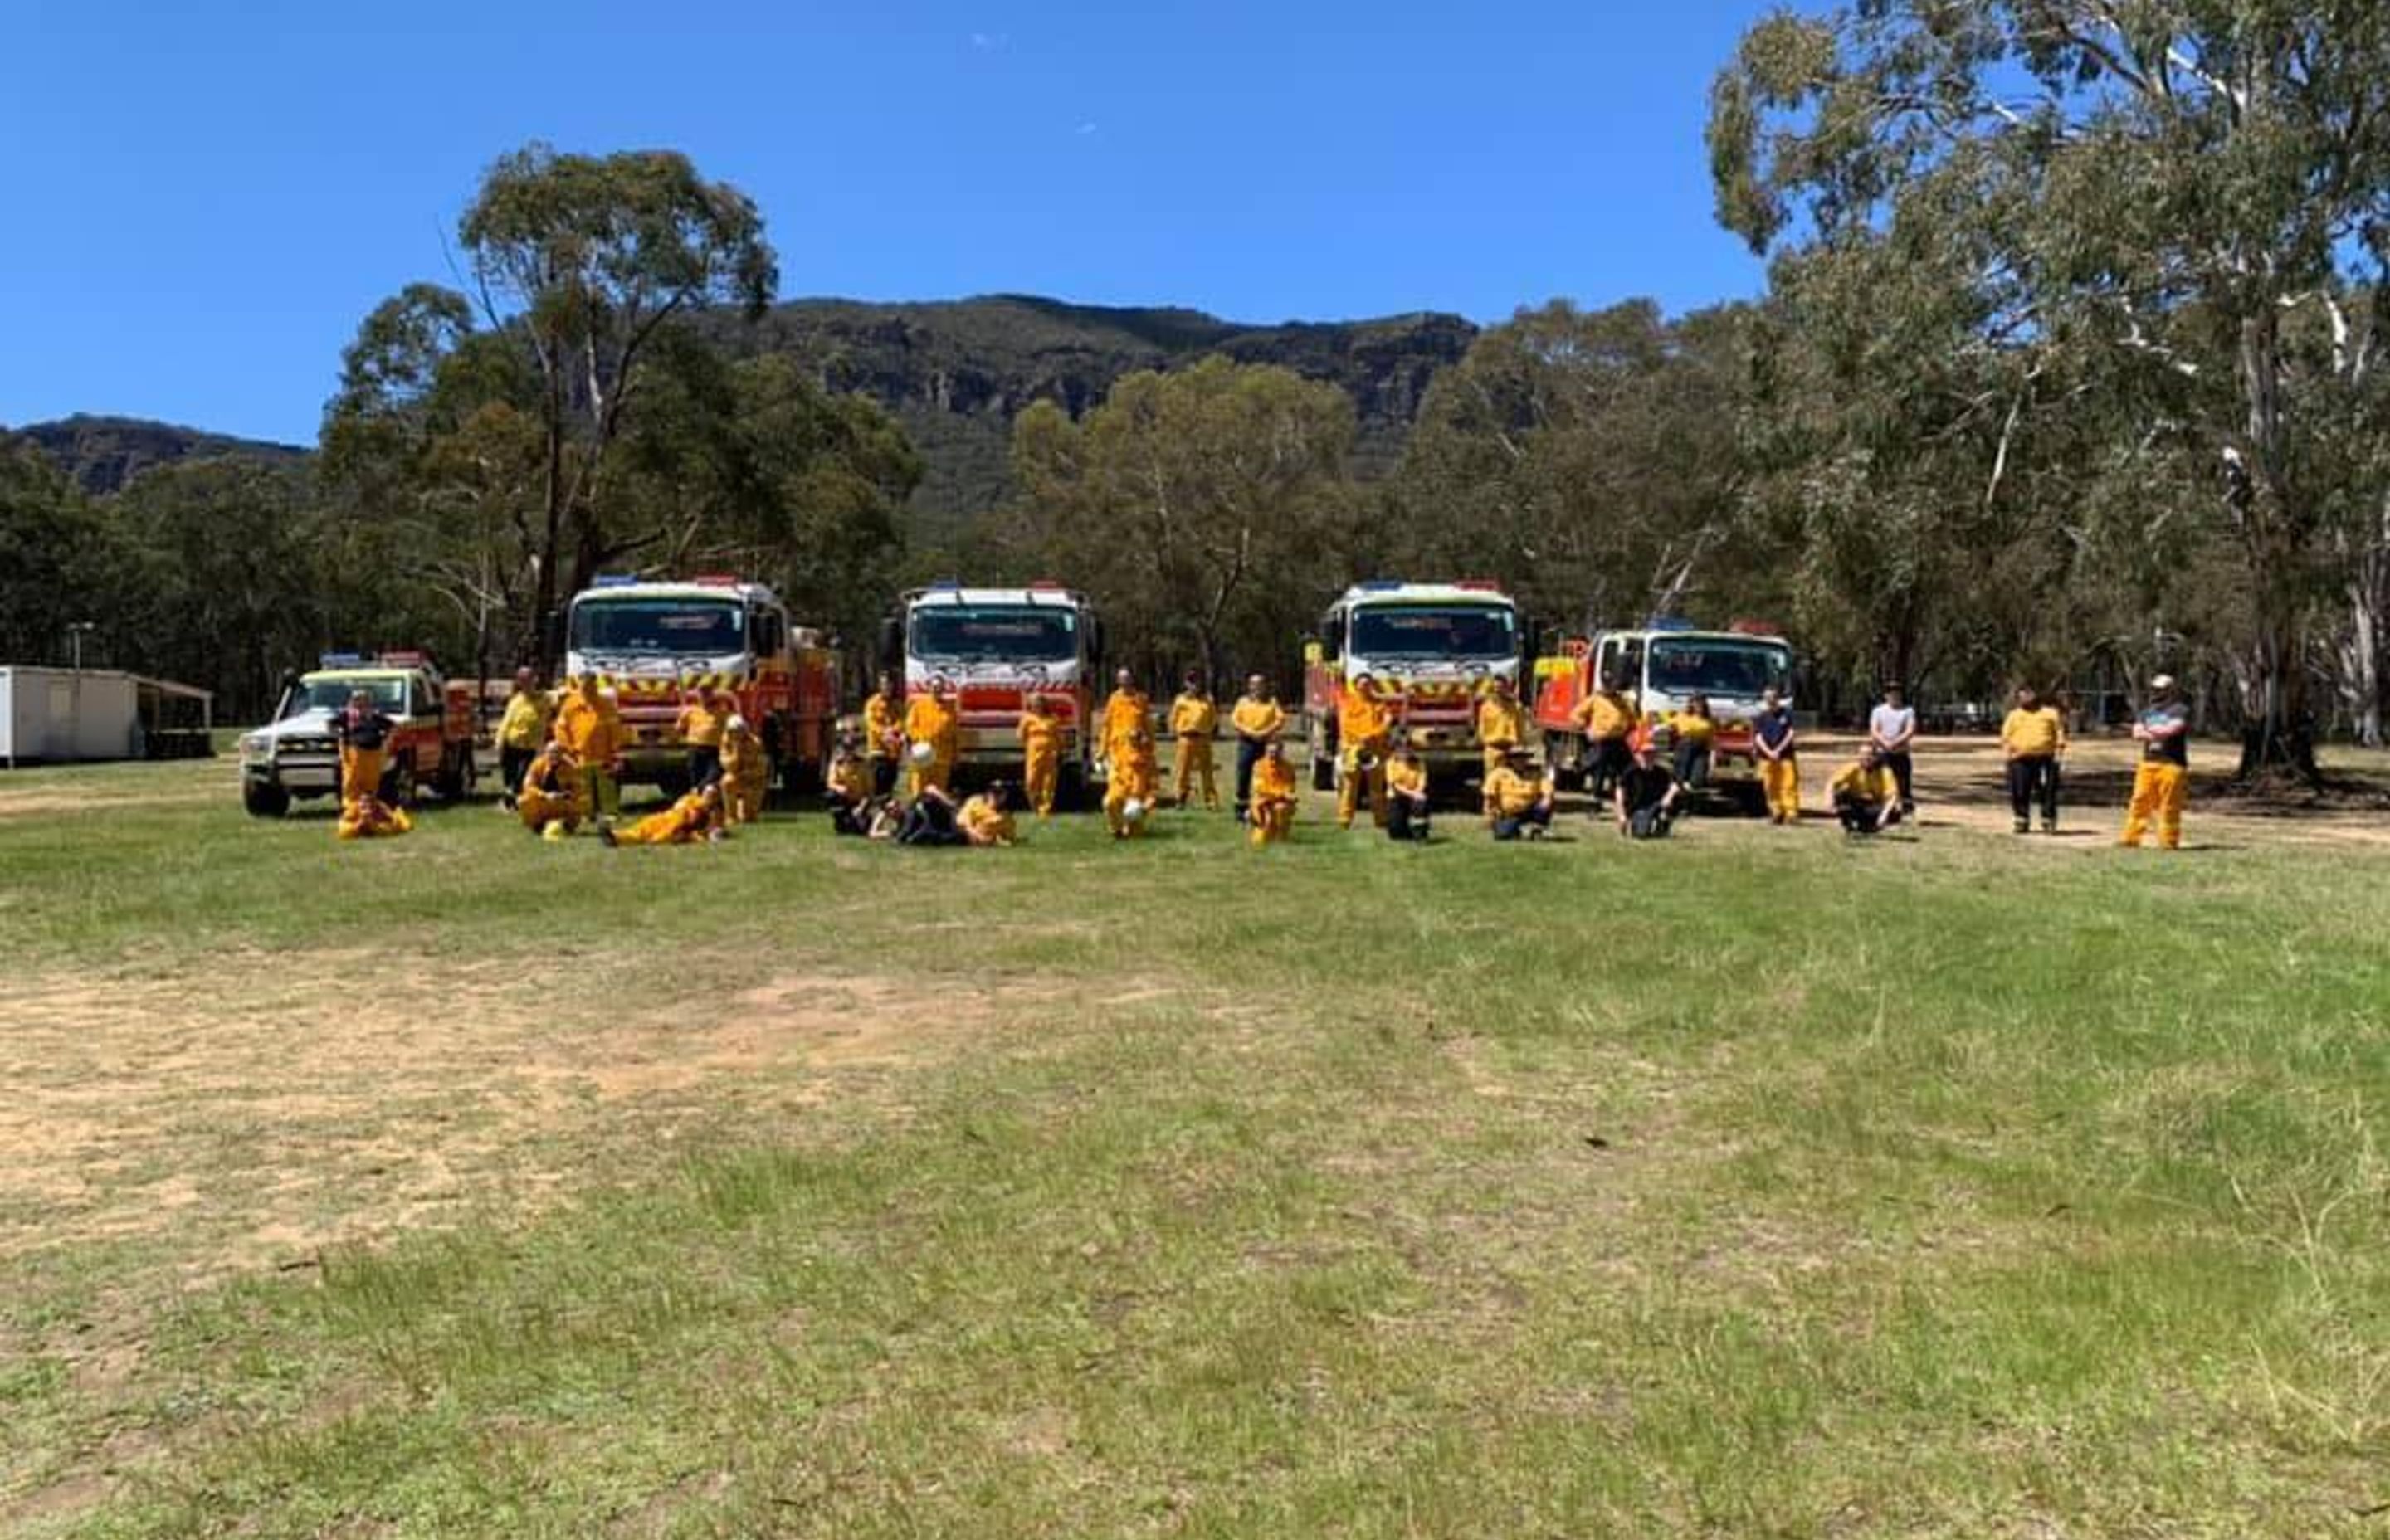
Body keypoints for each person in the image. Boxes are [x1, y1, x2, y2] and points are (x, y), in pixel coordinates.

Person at [2119, 673, 2190, 850]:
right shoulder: (2146, 711)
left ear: (2171, 691)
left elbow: (2172, 730)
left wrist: (2149, 730)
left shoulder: (2179, 709)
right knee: (2139, 800)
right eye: (2155, 689)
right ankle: (2131, 838)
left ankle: (2168, 841)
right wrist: (2156, 730)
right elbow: (2136, 733)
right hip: (2148, 762)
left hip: (2172, 764)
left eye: (2161, 689)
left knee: (2169, 804)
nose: (2156, 692)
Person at [552, 671, 621, 825]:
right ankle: (585, 814)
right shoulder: (571, 704)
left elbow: (615, 728)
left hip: (604, 754)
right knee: (583, 787)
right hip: (580, 754)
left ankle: (610, 813)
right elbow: (561, 728)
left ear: (595, 684)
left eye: (590, 685)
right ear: (580, 684)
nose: (587, 689)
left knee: (607, 786)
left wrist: (615, 751)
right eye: (584, 685)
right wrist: (567, 748)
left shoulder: (605, 704)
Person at [2000, 684, 2068, 834]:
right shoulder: (2014, 715)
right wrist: (2008, 756)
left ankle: (2048, 821)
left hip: (2046, 760)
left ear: (2035, 694)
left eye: (2028, 693)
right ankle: (2021, 820)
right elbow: (2005, 737)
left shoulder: (2050, 713)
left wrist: (2059, 753)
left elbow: (2060, 733)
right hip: (2020, 760)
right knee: (2019, 791)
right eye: (2021, 695)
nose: (2025, 697)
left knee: (2048, 791)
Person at [1336, 672, 1396, 829]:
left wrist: (1372, 735)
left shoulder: (1380, 704)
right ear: (1356, 686)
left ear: (1372, 686)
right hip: (1354, 749)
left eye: (1368, 684)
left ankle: (1381, 820)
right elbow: (1345, 725)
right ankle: (1345, 820)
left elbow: (1387, 723)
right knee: (1350, 787)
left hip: (1376, 749)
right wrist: (1361, 737)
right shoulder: (1348, 703)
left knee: (1376, 789)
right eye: (1362, 685)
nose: (1365, 687)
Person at [1572, 670, 1637, 802]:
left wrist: (1630, 728)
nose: (1612, 687)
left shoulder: (1622, 701)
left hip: (1619, 740)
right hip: (1602, 740)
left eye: (1613, 684)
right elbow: (1575, 714)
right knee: (1600, 770)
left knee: (1630, 767)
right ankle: (1595, 800)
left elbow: (1631, 719)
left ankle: (1625, 795)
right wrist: (1587, 728)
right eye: (1609, 684)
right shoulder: (1596, 699)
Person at [1230, 674, 1285, 823]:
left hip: (1266, 744)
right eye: (1254, 684)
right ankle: (1241, 811)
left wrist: (1265, 732)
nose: (1257, 687)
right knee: (1244, 775)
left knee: (1266, 775)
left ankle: (1266, 809)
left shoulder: (1272, 702)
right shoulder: (1242, 701)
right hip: (1247, 742)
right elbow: (1235, 720)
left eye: (1260, 684)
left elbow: (1280, 719)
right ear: (1249, 686)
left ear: (1265, 686)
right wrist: (1250, 732)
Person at [330, 688, 398, 809]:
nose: (360, 702)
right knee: (351, 786)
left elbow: (392, 726)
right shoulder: (346, 715)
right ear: (351, 701)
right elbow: (330, 724)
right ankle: (351, 812)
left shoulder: (374, 715)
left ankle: (370, 814)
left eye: (364, 699)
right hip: (354, 757)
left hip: (373, 756)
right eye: (356, 699)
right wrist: (340, 736)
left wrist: (387, 741)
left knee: (371, 787)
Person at [495, 667, 552, 809]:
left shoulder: (545, 698)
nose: (526, 683)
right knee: (510, 777)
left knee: (524, 776)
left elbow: (563, 695)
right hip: (512, 743)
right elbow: (506, 722)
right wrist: (500, 742)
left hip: (532, 747)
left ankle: (515, 801)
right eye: (522, 680)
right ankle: (510, 802)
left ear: (535, 679)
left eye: (528, 680)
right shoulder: (516, 700)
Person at [601, 782, 725, 846]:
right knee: (645, 825)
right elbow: (678, 806)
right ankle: (615, 836)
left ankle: (617, 839)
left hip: (680, 828)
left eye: (713, 795)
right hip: (668, 817)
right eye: (708, 794)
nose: (709, 797)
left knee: (652, 836)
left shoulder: (715, 812)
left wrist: (711, 834)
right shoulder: (691, 798)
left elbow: (713, 832)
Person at [1616, 729, 1685, 839]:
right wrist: (1621, 814)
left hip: (1655, 805)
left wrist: (1668, 797)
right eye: (1645, 754)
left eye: (1651, 754)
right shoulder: (1630, 771)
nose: (1648, 757)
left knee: (1677, 797)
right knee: (1641, 835)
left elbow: (1675, 785)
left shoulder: (1661, 771)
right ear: (1638, 756)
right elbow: (1619, 792)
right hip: (1637, 807)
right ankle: (1637, 824)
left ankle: (1663, 823)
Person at [1168, 670, 1220, 810]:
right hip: (1185, 738)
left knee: (1207, 771)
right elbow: (1173, 719)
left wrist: (1207, 731)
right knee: (1182, 772)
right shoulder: (1180, 699)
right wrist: (1176, 733)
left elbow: (1213, 718)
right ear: (1186, 683)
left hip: (1203, 739)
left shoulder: (1208, 700)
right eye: (1191, 681)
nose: (1194, 685)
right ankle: (1180, 799)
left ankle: (1211, 801)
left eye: (1197, 681)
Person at [902, 676, 960, 798]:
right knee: (918, 791)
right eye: (934, 687)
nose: (937, 690)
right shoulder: (919, 706)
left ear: (944, 689)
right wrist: (922, 740)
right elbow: (910, 727)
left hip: (943, 758)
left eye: (940, 687)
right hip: (923, 755)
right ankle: (916, 814)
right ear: (929, 688)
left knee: (939, 793)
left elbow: (955, 735)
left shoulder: (951, 709)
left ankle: (936, 815)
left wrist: (955, 757)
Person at [1483, 744, 1555, 841]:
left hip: (1530, 811)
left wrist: (1547, 798)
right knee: (1502, 835)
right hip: (1508, 813)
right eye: (1516, 757)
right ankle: (1520, 830)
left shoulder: (1535, 773)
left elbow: (1547, 787)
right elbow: (1489, 796)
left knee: (1546, 804)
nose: (1520, 760)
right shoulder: (1498, 773)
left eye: (1523, 757)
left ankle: (1538, 828)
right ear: (1510, 759)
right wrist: (1489, 814)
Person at [1830, 743, 1904, 836]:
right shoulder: (1852, 767)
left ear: (1876, 757)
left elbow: (1893, 796)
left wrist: (1884, 815)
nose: (1865, 757)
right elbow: (1832, 784)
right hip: (1856, 802)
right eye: (1862, 754)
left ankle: (1868, 826)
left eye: (1869, 754)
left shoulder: (1885, 771)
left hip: (1875, 804)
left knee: (1895, 813)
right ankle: (1848, 824)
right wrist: (1829, 801)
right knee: (1840, 794)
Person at [1868, 681, 1919, 816]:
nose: (1894, 695)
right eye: (1890, 692)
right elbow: (1874, 730)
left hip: (1900, 754)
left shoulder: (1908, 711)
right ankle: (1881, 810)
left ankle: (1907, 812)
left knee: (1904, 785)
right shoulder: (1878, 711)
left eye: (1897, 692)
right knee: (1881, 783)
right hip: (1882, 754)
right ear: (1886, 695)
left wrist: (1895, 743)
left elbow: (1910, 730)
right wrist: (1885, 743)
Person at [516, 743, 587, 836]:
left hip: (562, 802)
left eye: (557, 752)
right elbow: (528, 785)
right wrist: (544, 795)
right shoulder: (537, 764)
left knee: (584, 800)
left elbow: (579, 787)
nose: (554, 755)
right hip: (543, 801)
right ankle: (537, 825)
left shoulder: (570, 767)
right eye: (551, 752)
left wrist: (566, 795)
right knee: (523, 801)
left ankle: (568, 825)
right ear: (545, 753)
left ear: (562, 754)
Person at [1753, 685, 1799, 825]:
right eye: (1767, 697)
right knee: (1769, 786)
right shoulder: (1761, 717)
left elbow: (1791, 733)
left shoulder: (1787, 714)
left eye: (1773, 697)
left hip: (1785, 756)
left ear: (1778, 698)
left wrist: (1779, 750)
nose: (1770, 700)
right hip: (1767, 758)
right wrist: (1769, 752)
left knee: (1788, 784)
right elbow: (1758, 737)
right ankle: (1776, 812)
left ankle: (1791, 814)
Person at [1105, 725, 1159, 838]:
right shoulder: (1120, 756)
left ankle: (1130, 826)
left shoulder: (1150, 760)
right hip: (1121, 794)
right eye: (1130, 739)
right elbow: (1113, 777)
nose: (1133, 742)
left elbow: (1154, 788)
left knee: (1135, 836)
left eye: (1136, 738)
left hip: (1137, 800)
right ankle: (1116, 829)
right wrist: (1118, 790)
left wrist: (1146, 806)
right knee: (1108, 802)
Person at [675, 686, 732, 789]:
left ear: (712, 696)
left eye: (707, 694)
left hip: (714, 751)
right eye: (702, 694)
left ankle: (699, 792)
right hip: (695, 749)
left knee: (713, 777)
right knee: (695, 779)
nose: (704, 697)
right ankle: (698, 801)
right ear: (698, 696)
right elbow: (679, 729)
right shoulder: (690, 711)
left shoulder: (723, 712)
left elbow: (733, 727)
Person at [1018, 692, 1064, 818]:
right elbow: (1021, 736)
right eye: (1034, 702)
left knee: (1048, 784)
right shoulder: (1026, 718)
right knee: (1030, 782)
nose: (1037, 705)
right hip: (1033, 754)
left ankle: (1045, 810)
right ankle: (1035, 806)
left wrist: (1060, 751)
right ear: (1031, 704)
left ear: (1044, 704)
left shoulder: (1053, 718)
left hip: (1050, 754)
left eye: (1040, 702)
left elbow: (1059, 737)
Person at [1475, 675, 1527, 787]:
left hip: (1512, 751)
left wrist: (1520, 750)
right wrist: (1489, 744)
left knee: (1511, 785)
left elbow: (1521, 730)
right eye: (1495, 688)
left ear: (1507, 688)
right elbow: (1482, 731)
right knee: (1491, 785)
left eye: (1500, 687)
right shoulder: (1486, 707)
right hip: (1493, 751)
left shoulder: (1516, 707)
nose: (1497, 690)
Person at [718, 715, 768, 824]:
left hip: (754, 779)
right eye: (733, 731)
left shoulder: (756, 742)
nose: (736, 734)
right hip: (737, 776)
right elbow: (729, 766)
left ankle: (746, 810)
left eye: (739, 730)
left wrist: (749, 773)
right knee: (727, 782)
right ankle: (731, 816)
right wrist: (736, 750)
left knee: (749, 819)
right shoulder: (726, 743)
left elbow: (762, 767)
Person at [1249, 738, 1299, 846]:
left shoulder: (1289, 767)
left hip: (1281, 802)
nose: (1273, 755)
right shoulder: (1258, 765)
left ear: (1281, 752)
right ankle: (1259, 824)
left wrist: (1284, 795)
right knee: (1259, 842)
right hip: (1263, 802)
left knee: (1281, 809)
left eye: (1276, 752)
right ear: (1266, 752)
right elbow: (1260, 788)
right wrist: (1281, 794)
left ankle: (1282, 837)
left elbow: (1290, 787)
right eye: (1270, 752)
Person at [862, 671, 905, 797]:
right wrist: (884, 732)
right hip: (877, 750)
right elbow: (870, 723)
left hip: (894, 751)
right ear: (880, 685)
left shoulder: (897, 704)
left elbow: (902, 721)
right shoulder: (872, 703)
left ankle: (884, 811)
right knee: (878, 784)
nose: (886, 686)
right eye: (884, 684)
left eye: (889, 684)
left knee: (890, 784)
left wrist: (894, 730)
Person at [1383, 735, 1432, 841]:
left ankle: (1421, 833)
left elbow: (1422, 782)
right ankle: (1403, 829)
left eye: (1407, 748)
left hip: (1415, 796)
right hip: (1397, 796)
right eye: (1401, 748)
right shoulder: (1391, 762)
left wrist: (1418, 793)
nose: (1404, 751)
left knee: (1421, 802)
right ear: (1395, 749)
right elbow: (1395, 785)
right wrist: (1412, 793)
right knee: (1396, 835)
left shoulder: (1419, 762)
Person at [1100, 669, 1151, 769]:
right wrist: (1102, 750)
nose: (1125, 682)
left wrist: (1149, 745)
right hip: (1117, 748)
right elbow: (1107, 725)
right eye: (1122, 679)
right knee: (1117, 781)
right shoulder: (1113, 699)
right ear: (1118, 681)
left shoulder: (1141, 699)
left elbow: (1147, 725)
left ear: (1132, 680)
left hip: (1136, 747)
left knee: (1136, 781)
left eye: (1127, 678)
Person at [1667, 694, 1716, 791]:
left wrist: (1712, 761)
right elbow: (1667, 724)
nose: (1698, 705)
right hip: (1685, 747)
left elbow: (1712, 741)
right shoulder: (1683, 716)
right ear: (1691, 704)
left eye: (1701, 703)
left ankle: (1687, 790)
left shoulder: (1709, 720)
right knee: (1680, 779)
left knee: (1696, 780)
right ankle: (1677, 796)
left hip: (1701, 748)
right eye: (1695, 703)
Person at [827, 738, 874, 836]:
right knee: (830, 795)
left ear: (855, 749)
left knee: (862, 829)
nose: (848, 751)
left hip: (860, 801)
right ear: (841, 749)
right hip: (844, 800)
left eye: (851, 748)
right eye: (845, 748)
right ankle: (840, 820)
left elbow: (870, 791)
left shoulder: (864, 763)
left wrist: (861, 807)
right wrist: (839, 787)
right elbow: (830, 783)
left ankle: (855, 820)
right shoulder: (836, 763)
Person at [896, 783, 968, 846]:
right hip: (944, 829)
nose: (894, 810)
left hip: (952, 821)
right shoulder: (904, 824)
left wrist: (950, 804)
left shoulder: (914, 807)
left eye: (895, 807)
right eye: (889, 810)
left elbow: (931, 789)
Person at [335, 790, 413, 841]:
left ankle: (400, 811)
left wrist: (373, 825)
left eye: (370, 803)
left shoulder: (381, 807)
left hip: (385, 820)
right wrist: (359, 824)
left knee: (406, 826)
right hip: (359, 823)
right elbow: (342, 829)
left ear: (375, 804)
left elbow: (394, 825)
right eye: (363, 802)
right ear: (359, 802)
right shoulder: (353, 808)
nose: (366, 806)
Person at [958, 782, 1018, 846]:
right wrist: (979, 836)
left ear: (1005, 796)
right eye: (993, 792)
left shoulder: (1006, 817)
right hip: (960, 832)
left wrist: (994, 841)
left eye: (999, 793)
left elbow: (1009, 839)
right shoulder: (975, 802)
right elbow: (963, 825)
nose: (995, 796)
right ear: (987, 793)